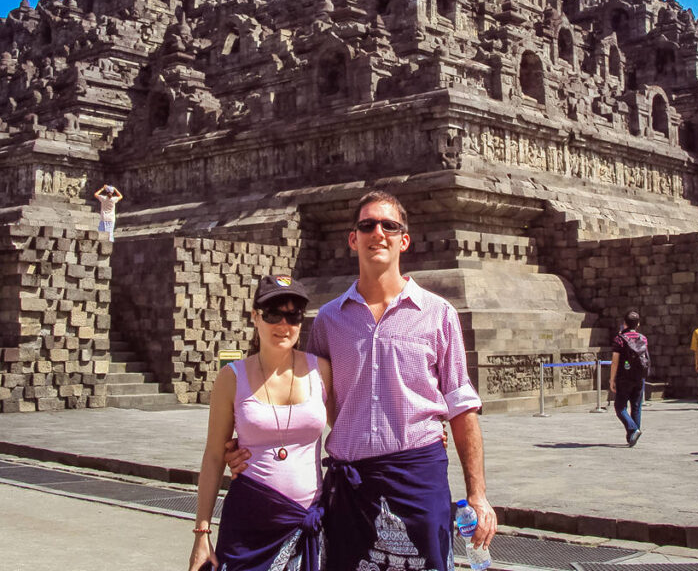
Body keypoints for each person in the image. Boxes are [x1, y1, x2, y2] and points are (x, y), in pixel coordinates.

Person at [228, 190, 496, 571]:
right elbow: (296, 397)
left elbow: (462, 406)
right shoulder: (328, 321)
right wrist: (247, 446)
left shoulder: (439, 315)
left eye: (389, 225)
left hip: (417, 479)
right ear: (353, 238)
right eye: (367, 225)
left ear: (404, 239)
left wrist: (478, 495)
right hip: (351, 489)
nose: (378, 233)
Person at [188, 274, 333, 571]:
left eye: (293, 316)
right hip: (249, 524)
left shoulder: (321, 371)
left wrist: (424, 431)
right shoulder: (232, 378)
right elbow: (215, 456)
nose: (284, 324)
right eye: (273, 314)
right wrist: (202, 534)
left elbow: (349, 427)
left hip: (305, 520)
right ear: (255, 317)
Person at [609, 310, 649, 447]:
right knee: (636, 407)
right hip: (639, 377)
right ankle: (632, 436)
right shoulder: (643, 338)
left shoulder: (620, 339)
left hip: (624, 377)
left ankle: (633, 430)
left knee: (620, 407)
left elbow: (615, 361)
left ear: (624, 323)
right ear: (638, 324)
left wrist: (611, 379)